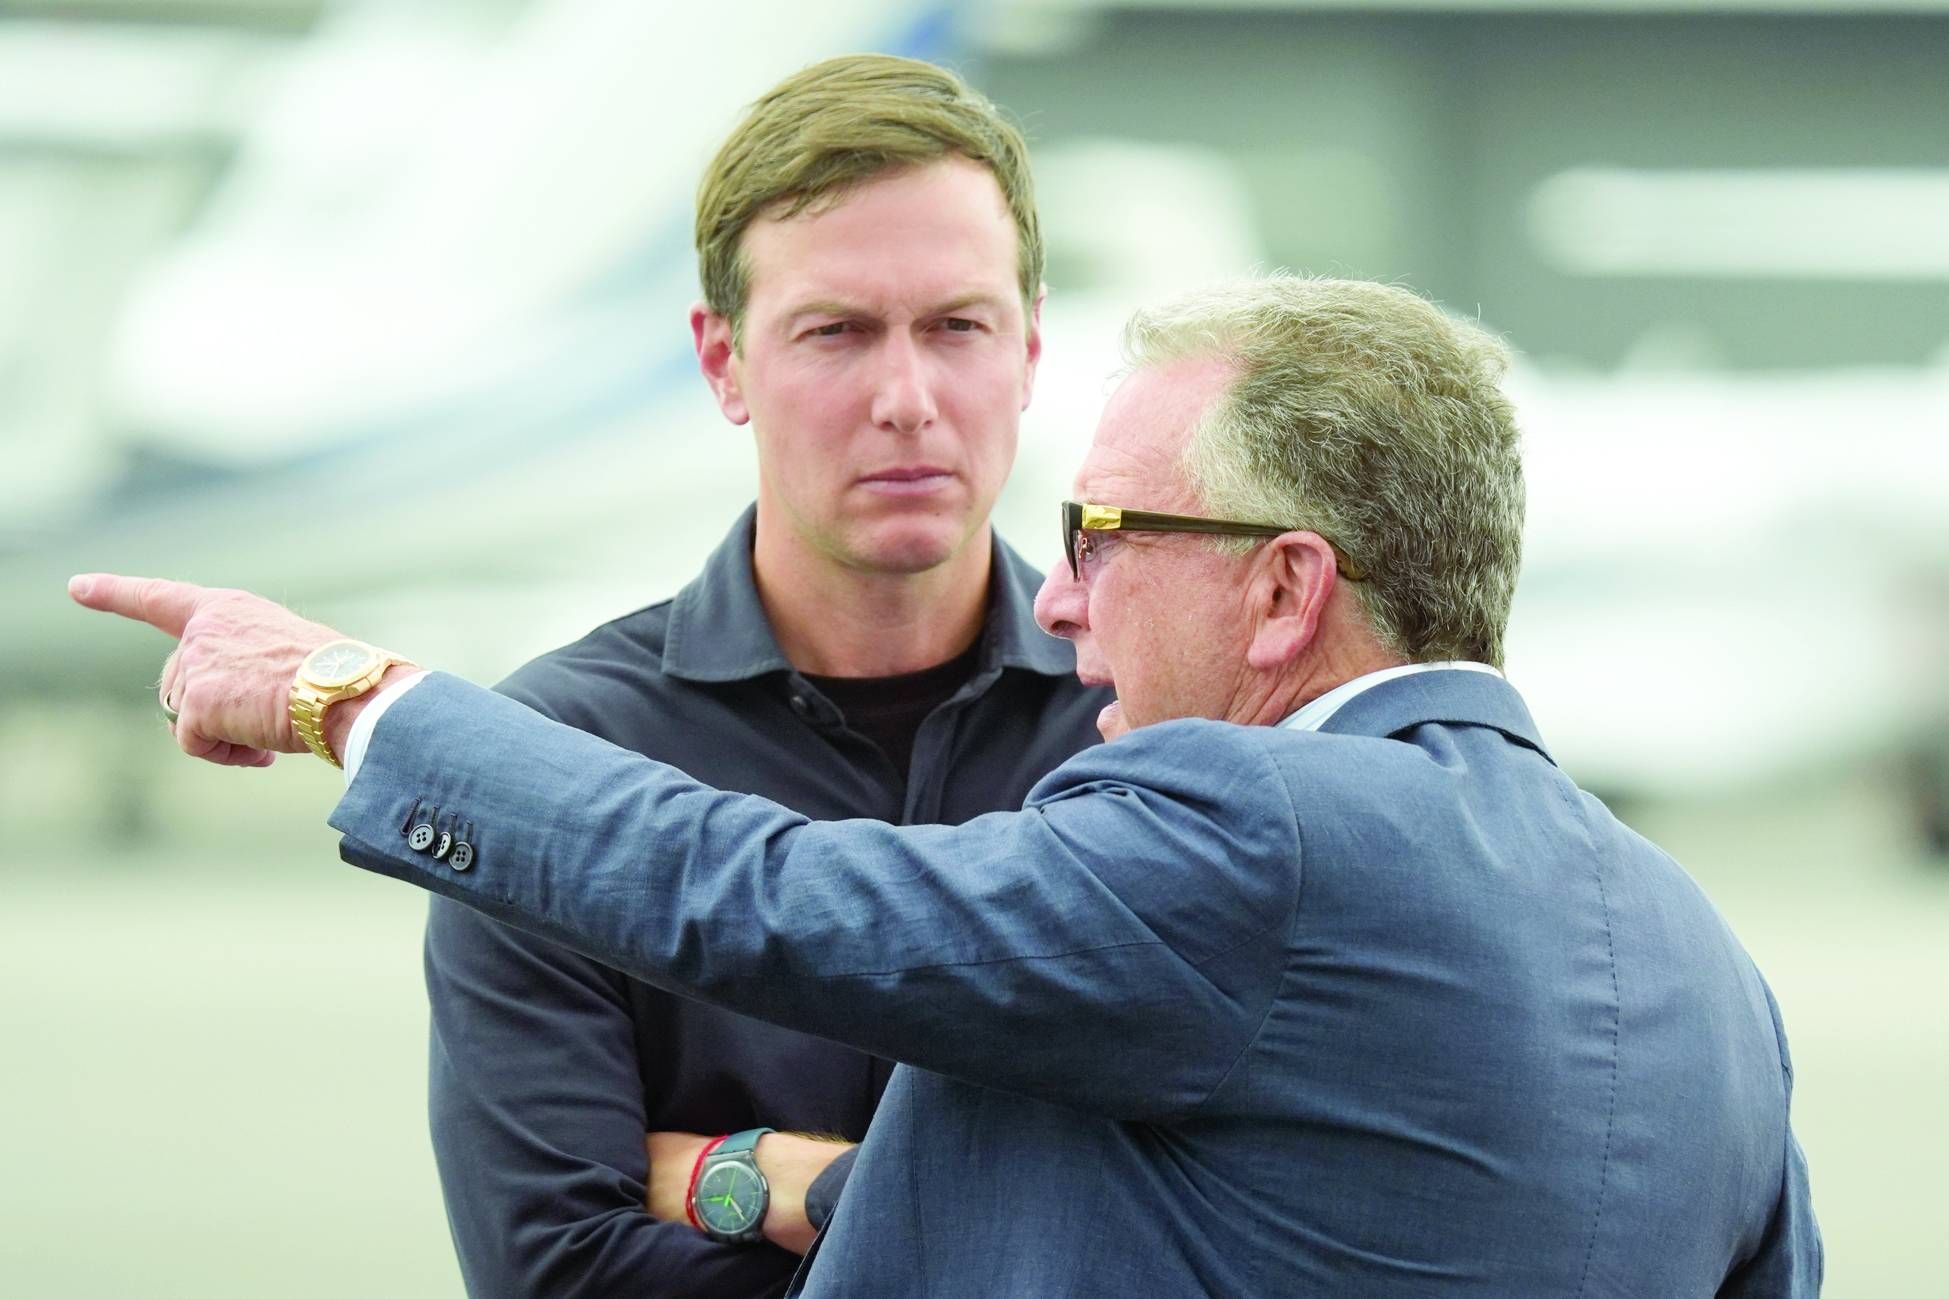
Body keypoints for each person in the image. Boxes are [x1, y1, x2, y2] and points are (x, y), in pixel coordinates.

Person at [72, 274, 1822, 1296]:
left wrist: (352, 698)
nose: (1057, 599)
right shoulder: (1703, 962)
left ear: (1286, 590)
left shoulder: (1248, 832)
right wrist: (750, 1177)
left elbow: (758, 891)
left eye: (1103, 534)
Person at [419, 54, 1108, 1298]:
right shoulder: (553, 754)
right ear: (722, 361)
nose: (906, 398)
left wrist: (745, 1179)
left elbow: (1251, 1213)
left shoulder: (1149, 724)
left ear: (1029, 348)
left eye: (956, 327)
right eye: (834, 332)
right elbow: (556, 1270)